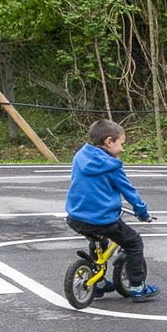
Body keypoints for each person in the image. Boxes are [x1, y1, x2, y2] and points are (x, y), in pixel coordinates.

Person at [65, 120, 157, 301]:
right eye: (121, 143)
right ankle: (138, 286)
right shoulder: (112, 166)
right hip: (102, 219)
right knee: (134, 243)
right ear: (109, 142)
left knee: (98, 240)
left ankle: (98, 283)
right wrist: (143, 213)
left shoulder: (79, 157)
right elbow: (130, 193)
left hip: (76, 217)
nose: (122, 149)